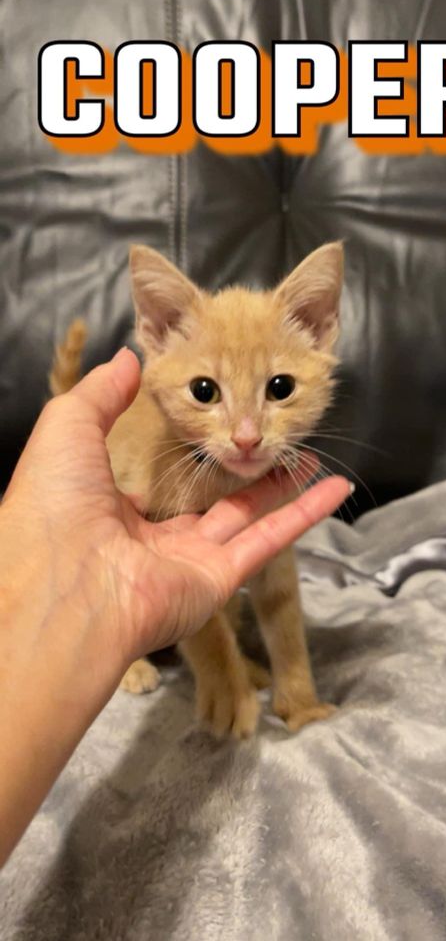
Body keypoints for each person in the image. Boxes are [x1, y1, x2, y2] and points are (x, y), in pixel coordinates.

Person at [0, 347, 351, 866]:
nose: (247, 434)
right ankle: (130, 655)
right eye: (207, 394)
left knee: (252, 574)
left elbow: (270, 590)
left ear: (323, 335)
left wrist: (297, 695)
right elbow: (170, 567)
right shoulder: (173, 457)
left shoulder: (267, 465)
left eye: (279, 390)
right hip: (122, 492)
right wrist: (217, 667)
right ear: (157, 334)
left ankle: (290, 697)